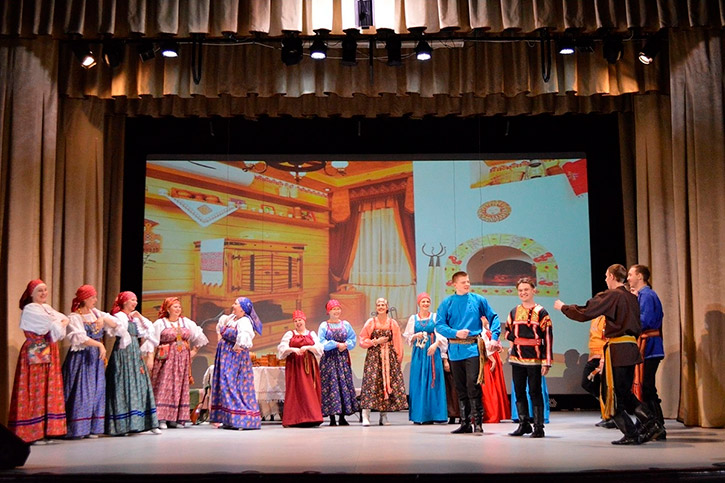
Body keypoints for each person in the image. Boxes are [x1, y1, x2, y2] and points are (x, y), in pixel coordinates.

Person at [554, 264, 664, 445]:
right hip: (631, 348)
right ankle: (650, 423)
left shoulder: (612, 295)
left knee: (611, 395)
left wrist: (564, 307)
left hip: (618, 350)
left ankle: (634, 431)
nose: (605, 279)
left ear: (612, 276)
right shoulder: (632, 297)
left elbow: (586, 311)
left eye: (606, 276)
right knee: (624, 393)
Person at [435, 271, 501, 434]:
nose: (467, 284)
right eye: (463, 282)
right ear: (454, 284)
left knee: (473, 384)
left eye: (468, 281)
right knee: (460, 387)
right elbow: (439, 325)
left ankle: (477, 422)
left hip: (472, 349)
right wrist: (455, 333)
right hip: (455, 350)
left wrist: (494, 337)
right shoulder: (447, 303)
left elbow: (494, 317)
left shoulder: (478, 300)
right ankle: (465, 422)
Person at [7, 279, 69, 444]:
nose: (43, 293)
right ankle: (31, 433)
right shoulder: (31, 309)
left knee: (46, 389)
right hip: (36, 349)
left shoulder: (46, 308)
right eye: (39, 291)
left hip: (48, 349)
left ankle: (44, 430)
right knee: (35, 389)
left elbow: (63, 319)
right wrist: (60, 322)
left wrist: (61, 322)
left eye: (45, 290)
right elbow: (54, 324)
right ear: (32, 294)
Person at [62, 284, 118, 439]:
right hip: (82, 358)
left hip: (96, 360)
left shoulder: (96, 313)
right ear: (85, 299)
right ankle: (78, 428)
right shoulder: (75, 316)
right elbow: (80, 338)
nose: (95, 300)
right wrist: (99, 345)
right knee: (82, 392)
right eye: (93, 297)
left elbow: (116, 324)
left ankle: (93, 427)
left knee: (97, 391)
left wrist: (102, 318)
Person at [105, 291, 160, 436]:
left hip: (135, 353)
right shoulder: (119, 316)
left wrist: (139, 317)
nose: (135, 303)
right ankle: (123, 425)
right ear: (124, 302)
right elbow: (119, 330)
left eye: (136, 300)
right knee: (123, 385)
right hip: (123, 353)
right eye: (132, 300)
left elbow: (149, 332)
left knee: (140, 384)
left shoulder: (134, 318)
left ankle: (143, 423)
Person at [505, 277, 553, 438]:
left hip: (535, 359)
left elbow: (548, 338)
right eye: (520, 290)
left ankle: (538, 427)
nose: (523, 293)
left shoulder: (541, 312)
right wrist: (514, 339)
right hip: (517, 358)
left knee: (534, 391)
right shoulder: (513, 311)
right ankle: (523, 424)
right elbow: (507, 330)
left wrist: (547, 361)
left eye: (526, 289)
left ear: (534, 290)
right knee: (519, 391)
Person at [151, 297, 208, 429]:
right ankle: (162, 418)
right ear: (167, 309)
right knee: (165, 386)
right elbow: (151, 341)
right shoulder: (160, 323)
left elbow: (199, 337)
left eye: (179, 307)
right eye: (175, 306)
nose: (178, 309)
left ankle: (175, 418)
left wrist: (194, 351)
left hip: (182, 360)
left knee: (179, 387)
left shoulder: (185, 322)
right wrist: (152, 357)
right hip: (166, 360)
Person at [209, 296, 262, 430]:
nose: (233, 306)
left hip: (234, 357)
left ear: (243, 309)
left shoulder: (244, 322)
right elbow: (220, 329)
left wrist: (237, 347)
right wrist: (221, 342)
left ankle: (242, 419)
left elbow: (244, 339)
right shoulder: (231, 318)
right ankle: (229, 418)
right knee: (224, 384)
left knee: (231, 384)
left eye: (236, 304)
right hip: (224, 355)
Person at [628, 264, 666, 440]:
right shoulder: (642, 295)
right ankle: (650, 423)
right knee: (645, 386)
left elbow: (645, 320)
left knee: (647, 386)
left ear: (640, 276)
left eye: (631, 274)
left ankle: (657, 425)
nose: (628, 278)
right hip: (648, 346)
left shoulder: (647, 295)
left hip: (650, 346)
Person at [359, 297, 408, 426]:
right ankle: (366, 414)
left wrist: (398, 358)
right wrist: (375, 341)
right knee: (371, 383)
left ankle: (383, 415)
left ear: (387, 307)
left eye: (383, 305)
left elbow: (397, 342)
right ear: (376, 307)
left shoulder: (392, 323)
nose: (381, 307)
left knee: (385, 384)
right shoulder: (371, 322)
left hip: (388, 357)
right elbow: (362, 340)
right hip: (374, 357)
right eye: (378, 305)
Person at [403, 292, 447, 424]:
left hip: (432, 351)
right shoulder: (413, 318)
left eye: (427, 301)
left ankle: (435, 414)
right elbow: (407, 336)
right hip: (419, 352)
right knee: (419, 380)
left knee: (434, 380)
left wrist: (436, 345)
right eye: (423, 301)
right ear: (419, 303)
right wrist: (415, 336)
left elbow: (441, 334)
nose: (426, 304)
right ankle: (420, 415)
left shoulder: (435, 317)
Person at [277, 310, 324, 427]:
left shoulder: (311, 334)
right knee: (295, 389)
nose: (298, 323)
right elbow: (282, 348)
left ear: (304, 320)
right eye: (296, 321)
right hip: (295, 365)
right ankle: (294, 419)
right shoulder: (290, 334)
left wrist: (308, 347)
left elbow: (319, 348)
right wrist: (292, 349)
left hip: (309, 365)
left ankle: (312, 417)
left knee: (309, 389)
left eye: (300, 320)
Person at [317, 299, 359, 426]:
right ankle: (332, 418)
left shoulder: (345, 324)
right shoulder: (324, 326)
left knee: (343, 385)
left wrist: (346, 345)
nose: (336, 311)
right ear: (328, 311)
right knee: (330, 386)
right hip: (329, 360)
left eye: (338, 309)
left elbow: (353, 338)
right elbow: (321, 342)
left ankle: (342, 417)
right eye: (334, 309)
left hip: (342, 360)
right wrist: (335, 344)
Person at [580, 315, 613, 428]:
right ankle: (607, 411)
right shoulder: (595, 318)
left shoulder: (607, 318)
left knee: (605, 388)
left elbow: (608, 339)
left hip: (603, 356)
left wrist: (603, 358)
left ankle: (610, 416)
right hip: (594, 356)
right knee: (587, 383)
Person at [480, 318, 510, 424]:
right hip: (487, 359)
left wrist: (498, 348)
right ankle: (491, 414)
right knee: (489, 387)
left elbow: (495, 341)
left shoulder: (489, 329)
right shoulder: (480, 330)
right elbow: (483, 346)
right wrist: (492, 359)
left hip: (494, 357)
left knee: (496, 386)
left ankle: (499, 413)